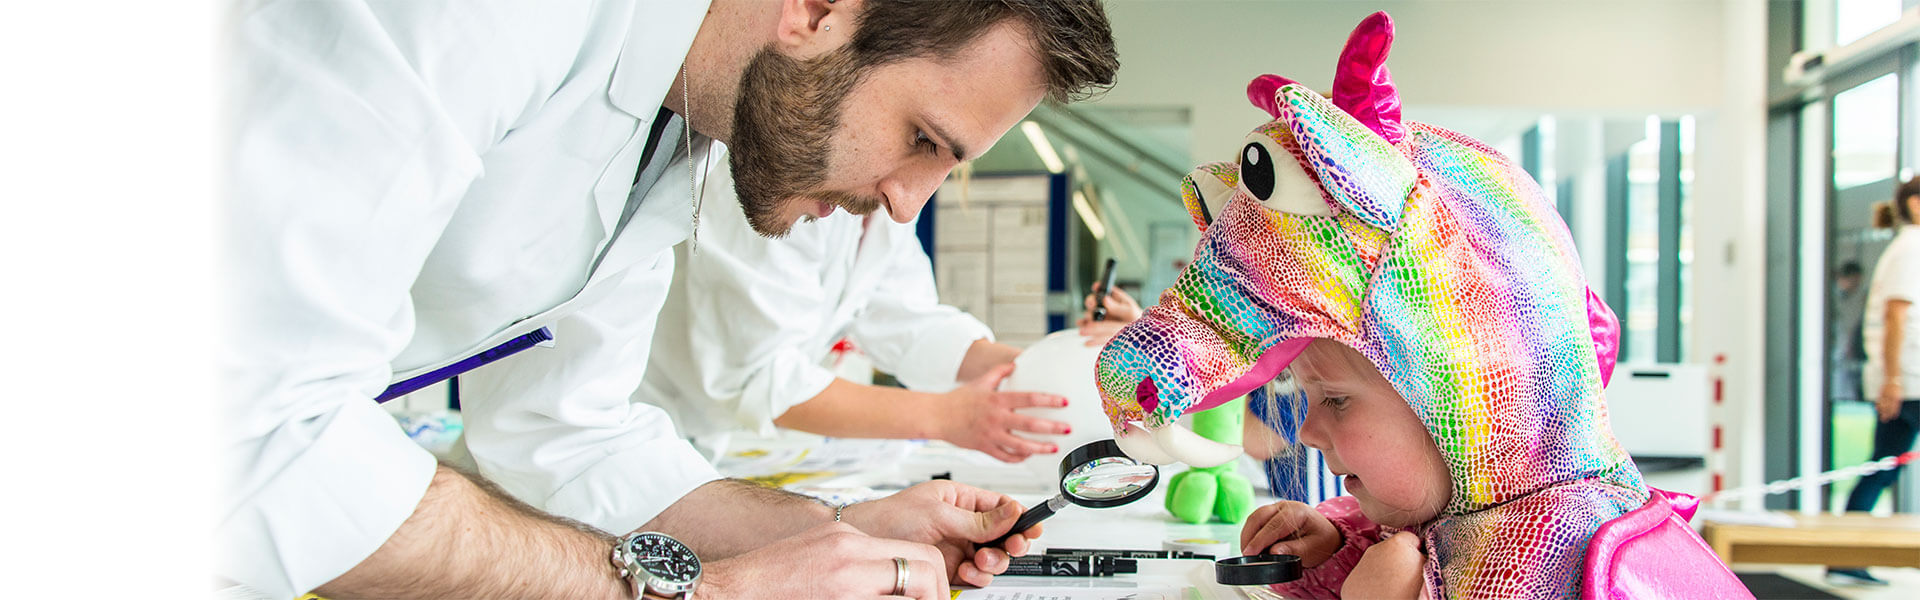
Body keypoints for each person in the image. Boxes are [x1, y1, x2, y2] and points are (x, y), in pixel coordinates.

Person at [222, 0, 1118, 598]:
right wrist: (697, 588)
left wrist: (831, 531)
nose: (905, 206)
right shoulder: (479, 19)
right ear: (814, 9)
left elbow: (568, 433)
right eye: (921, 138)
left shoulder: (683, 123)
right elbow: (249, 441)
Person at [1090, 15, 1746, 595]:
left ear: (1464, 393)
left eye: (1337, 400)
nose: (1307, 431)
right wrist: (1330, 552)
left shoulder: (1565, 560)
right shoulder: (1439, 517)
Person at [636, 164, 1072, 463]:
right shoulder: (788, 178)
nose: (912, 201)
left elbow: (909, 324)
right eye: (926, 141)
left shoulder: (879, 213)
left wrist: (1060, 363)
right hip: (636, 422)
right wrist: (945, 417)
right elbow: (763, 378)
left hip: (698, 441)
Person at [1830, 178, 1920, 587]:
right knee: (1882, 467)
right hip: (1909, 382)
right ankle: (1845, 552)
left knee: (1882, 467)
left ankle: (1846, 553)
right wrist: (1893, 382)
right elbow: (1895, 320)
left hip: (1906, 380)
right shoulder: (1910, 249)